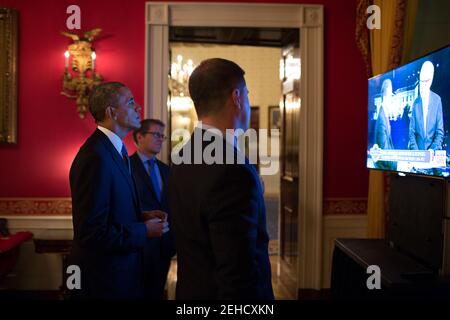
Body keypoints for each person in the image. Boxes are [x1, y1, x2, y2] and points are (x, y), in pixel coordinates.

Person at [169, 58, 274, 300]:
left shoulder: (183, 155)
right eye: (247, 95)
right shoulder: (233, 170)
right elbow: (238, 273)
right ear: (237, 98)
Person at [69, 82, 168, 299]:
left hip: (122, 276)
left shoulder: (115, 151)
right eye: (131, 102)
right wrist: (144, 231)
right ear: (111, 112)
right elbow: (91, 234)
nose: (138, 107)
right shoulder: (95, 157)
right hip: (105, 283)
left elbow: (109, 213)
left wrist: (140, 217)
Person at [131, 119, 176, 299]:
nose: (160, 139)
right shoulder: (126, 167)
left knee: (156, 292)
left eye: (162, 136)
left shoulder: (167, 170)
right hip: (138, 245)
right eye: (156, 134)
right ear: (140, 136)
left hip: (163, 246)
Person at [409, 60, 444, 151]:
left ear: (431, 80)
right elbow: (411, 133)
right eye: (421, 81)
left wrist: (432, 150)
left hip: (432, 155)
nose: (422, 85)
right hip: (417, 156)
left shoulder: (437, 101)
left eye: (425, 81)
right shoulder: (415, 103)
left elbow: (439, 132)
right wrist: (417, 153)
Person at [374, 78, 397, 170]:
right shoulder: (382, 120)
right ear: (385, 96)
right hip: (383, 165)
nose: (392, 99)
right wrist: (397, 163)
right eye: (390, 96)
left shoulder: (385, 115)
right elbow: (384, 155)